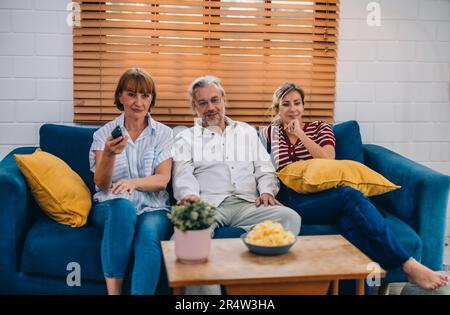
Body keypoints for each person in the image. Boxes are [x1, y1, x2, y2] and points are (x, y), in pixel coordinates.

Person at [259, 81, 449, 291]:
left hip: (330, 196)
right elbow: (253, 157)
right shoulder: (270, 134)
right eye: (286, 104)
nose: (292, 109)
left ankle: (370, 282)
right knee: (351, 197)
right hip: (299, 203)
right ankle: (408, 264)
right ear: (278, 109)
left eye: (297, 103)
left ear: (303, 106)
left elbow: (328, 159)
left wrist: (301, 134)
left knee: (352, 226)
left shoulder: (320, 128)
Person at [172, 75, 301, 238]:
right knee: (183, 237)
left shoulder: (246, 131)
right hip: (208, 205)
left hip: (249, 204)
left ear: (223, 100)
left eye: (215, 100)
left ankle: (250, 244)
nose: (211, 107)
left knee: (290, 218)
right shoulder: (185, 138)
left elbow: (264, 168)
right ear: (194, 106)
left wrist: (267, 192)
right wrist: (190, 197)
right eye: (203, 103)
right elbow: (182, 175)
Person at [89, 68, 173, 295]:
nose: (138, 102)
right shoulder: (103, 134)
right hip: (112, 205)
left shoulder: (164, 134)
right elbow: (102, 185)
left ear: (151, 99)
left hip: (153, 206)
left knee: (149, 234)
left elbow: (162, 179)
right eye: (131, 94)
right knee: (123, 208)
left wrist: (133, 183)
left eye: (145, 95)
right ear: (120, 96)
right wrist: (109, 154)